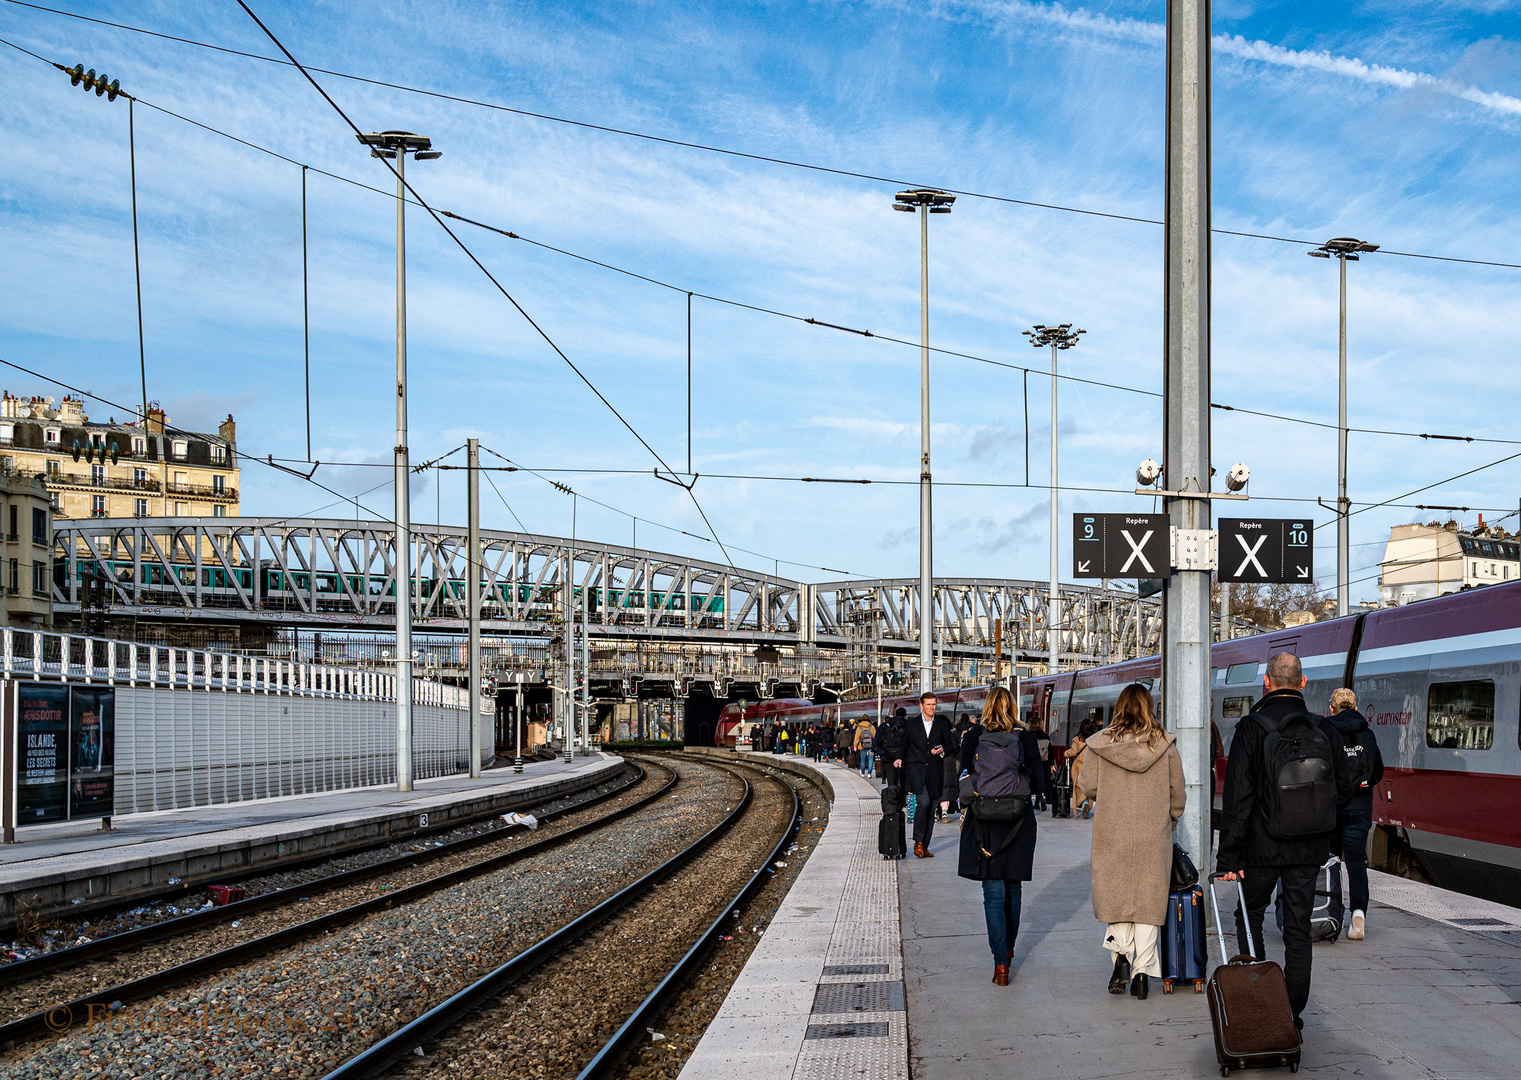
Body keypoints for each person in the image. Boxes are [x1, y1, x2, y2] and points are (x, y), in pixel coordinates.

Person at [1217, 652, 1352, 1031]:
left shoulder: (1251, 728)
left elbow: (1237, 799)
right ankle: (1291, 1014)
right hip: (1308, 848)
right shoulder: (1324, 729)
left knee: (1249, 916)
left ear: (1267, 682)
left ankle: (1262, 1001)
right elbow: (1341, 790)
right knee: (1297, 929)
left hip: (1260, 848)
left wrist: (1229, 857)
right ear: (1303, 683)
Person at [1077, 685, 1185, 1000]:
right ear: (1149, 707)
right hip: (1153, 835)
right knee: (1148, 905)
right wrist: (1170, 820)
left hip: (1113, 832)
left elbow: (1088, 785)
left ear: (1119, 708)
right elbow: (1177, 794)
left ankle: (1121, 956)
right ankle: (1142, 974)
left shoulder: (1099, 745)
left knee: (1117, 897)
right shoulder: (1166, 746)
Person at [958, 685, 1043, 986]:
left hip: (983, 821)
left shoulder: (972, 736)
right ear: (1012, 707)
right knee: (1014, 888)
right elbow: (1039, 783)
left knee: (993, 892)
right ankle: (1009, 948)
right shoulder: (1026, 737)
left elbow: (965, 772)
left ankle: (1000, 964)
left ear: (987, 707)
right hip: (1018, 820)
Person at [1327, 687, 1384, 942]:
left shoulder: (1326, 731)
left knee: (1328, 861)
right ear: (1356, 707)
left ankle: (1328, 913)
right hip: (1359, 808)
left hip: (1331, 807)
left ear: (1332, 708)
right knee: (1356, 863)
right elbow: (1377, 772)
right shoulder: (1367, 735)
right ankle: (1358, 914)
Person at [894, 691, 955, 858]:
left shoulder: (942, 726)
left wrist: (943, 750)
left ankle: (925, 845)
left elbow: (951, 746)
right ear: (921, 705)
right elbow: (903, 745)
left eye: (934, 704)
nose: (932, 707)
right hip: (916, 771)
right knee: (924, 802)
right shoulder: (911, 725)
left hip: (935, 771)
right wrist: (898, 758)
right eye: (928, 704)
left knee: (932, 807)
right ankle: (918, 842)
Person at [1068, 718, 1100, 818]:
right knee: (1090, 785)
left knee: (1078, 786)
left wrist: (1066, 754)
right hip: (1091, 765)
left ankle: (1083, 802)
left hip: (1078, 766)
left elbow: (1073, 752)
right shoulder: (1094, 739)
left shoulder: (1077, 739)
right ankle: (1088, 805)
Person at [879, 708, 907, 791]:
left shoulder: (888, 725)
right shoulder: (908, 725)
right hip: (904, 758)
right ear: (905, 715)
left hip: (889, 757)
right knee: (904, 782)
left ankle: (892, 800)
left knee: (891, 782)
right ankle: (903, 799)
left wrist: (885, 749)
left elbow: (879, 739)